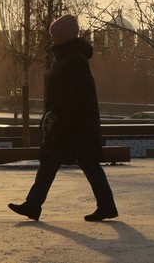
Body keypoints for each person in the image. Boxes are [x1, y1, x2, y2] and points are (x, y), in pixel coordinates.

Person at [8, 14, 118, 222]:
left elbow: (74, 94)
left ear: (64, 37)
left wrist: (55, 114)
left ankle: (107, 205)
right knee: (51, 162)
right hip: (68, 122)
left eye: (55, 35)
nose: (52, 39)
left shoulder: (74, 60)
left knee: (86, 163)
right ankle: (33, 205)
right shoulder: (67, 58)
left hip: (75, 124)